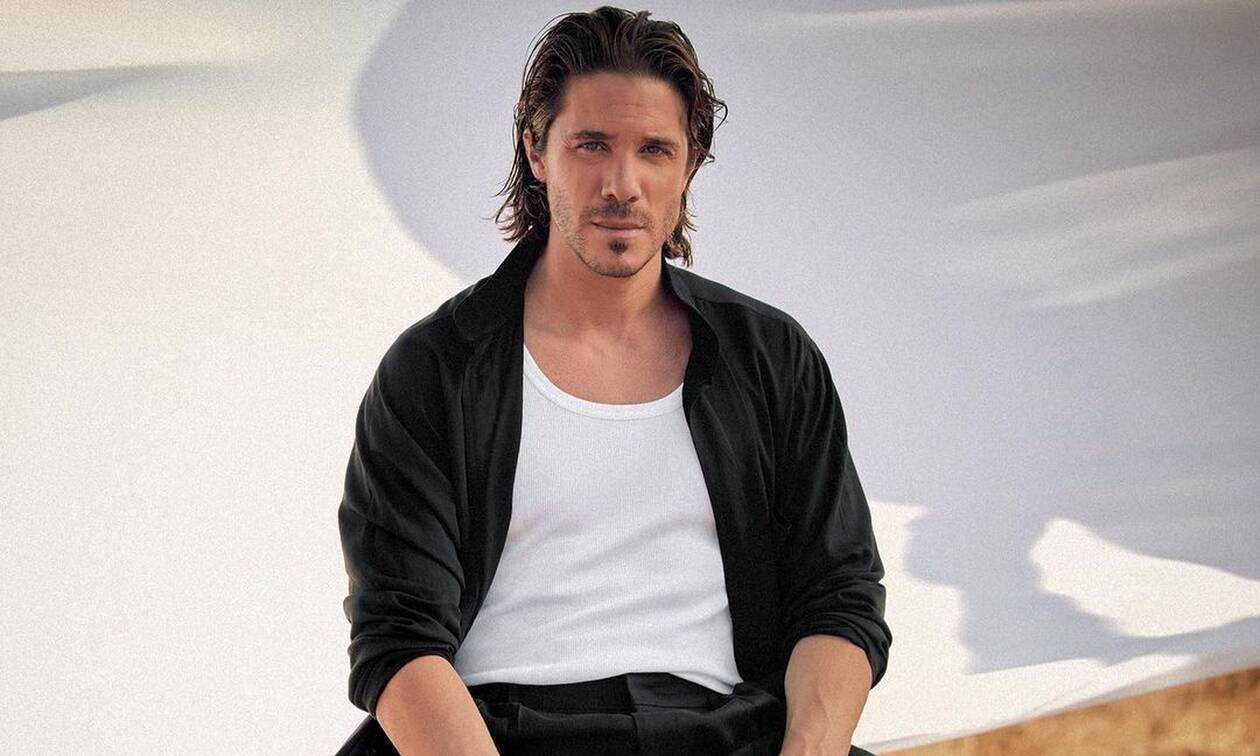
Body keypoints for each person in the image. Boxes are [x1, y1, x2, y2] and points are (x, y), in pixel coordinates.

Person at [336, 7, 890, 755]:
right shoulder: (437, 368)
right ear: (537, 150)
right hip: (496, 735)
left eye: (654, 150)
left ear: (689, 164)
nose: (622, 185)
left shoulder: (769, 356)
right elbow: (399, 640)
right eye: (591, 145)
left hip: (726, 735)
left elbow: (839, 598)